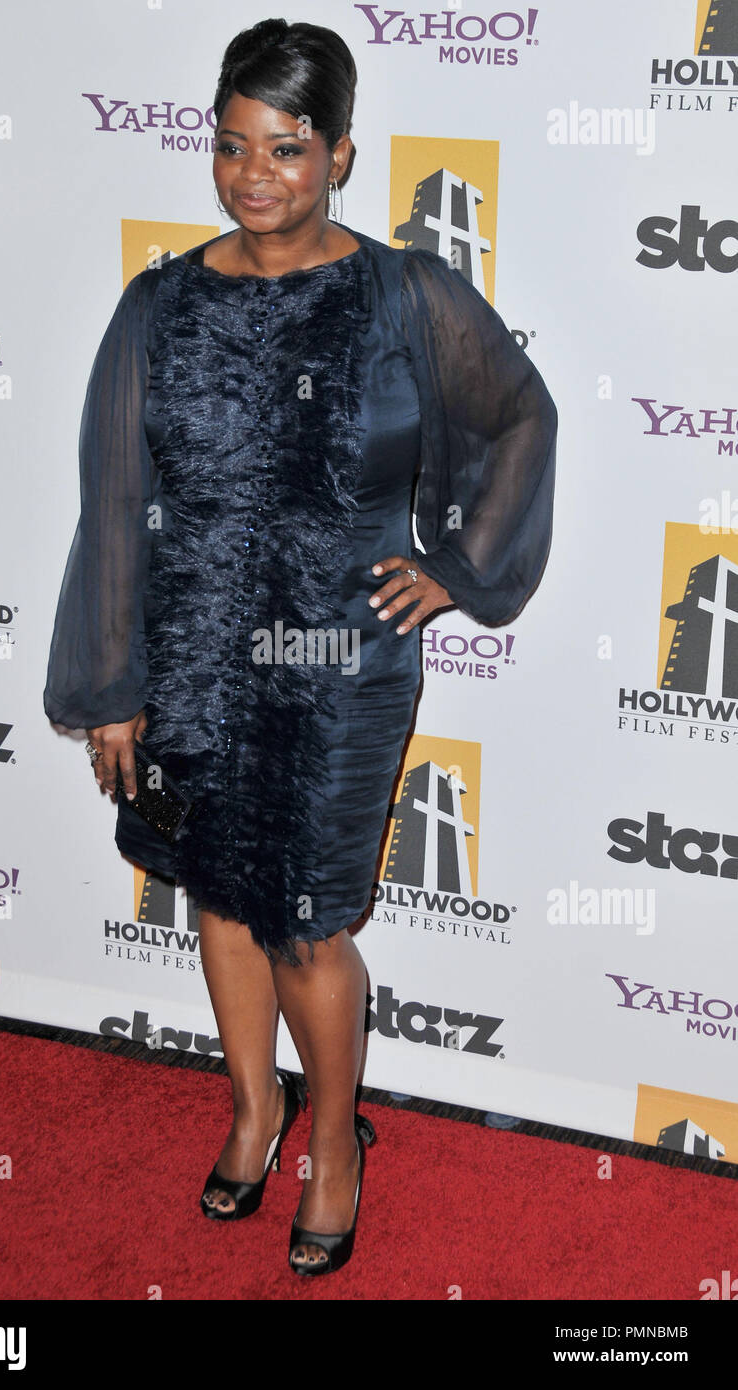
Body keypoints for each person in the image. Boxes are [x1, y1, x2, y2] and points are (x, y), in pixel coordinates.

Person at [43, 17, 557, 1277]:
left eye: (284, 147)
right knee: (216, 893)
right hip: (191, 654)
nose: (252, 174)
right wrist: (113, 686)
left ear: (336, 150)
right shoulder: (157, 304)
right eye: (231, 146)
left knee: (308, 921)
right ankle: (253, 1109)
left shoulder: (404, 292)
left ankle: (336, 1142)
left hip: (339, 661)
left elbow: (518, 416)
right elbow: (112, 497)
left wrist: (455, 567)